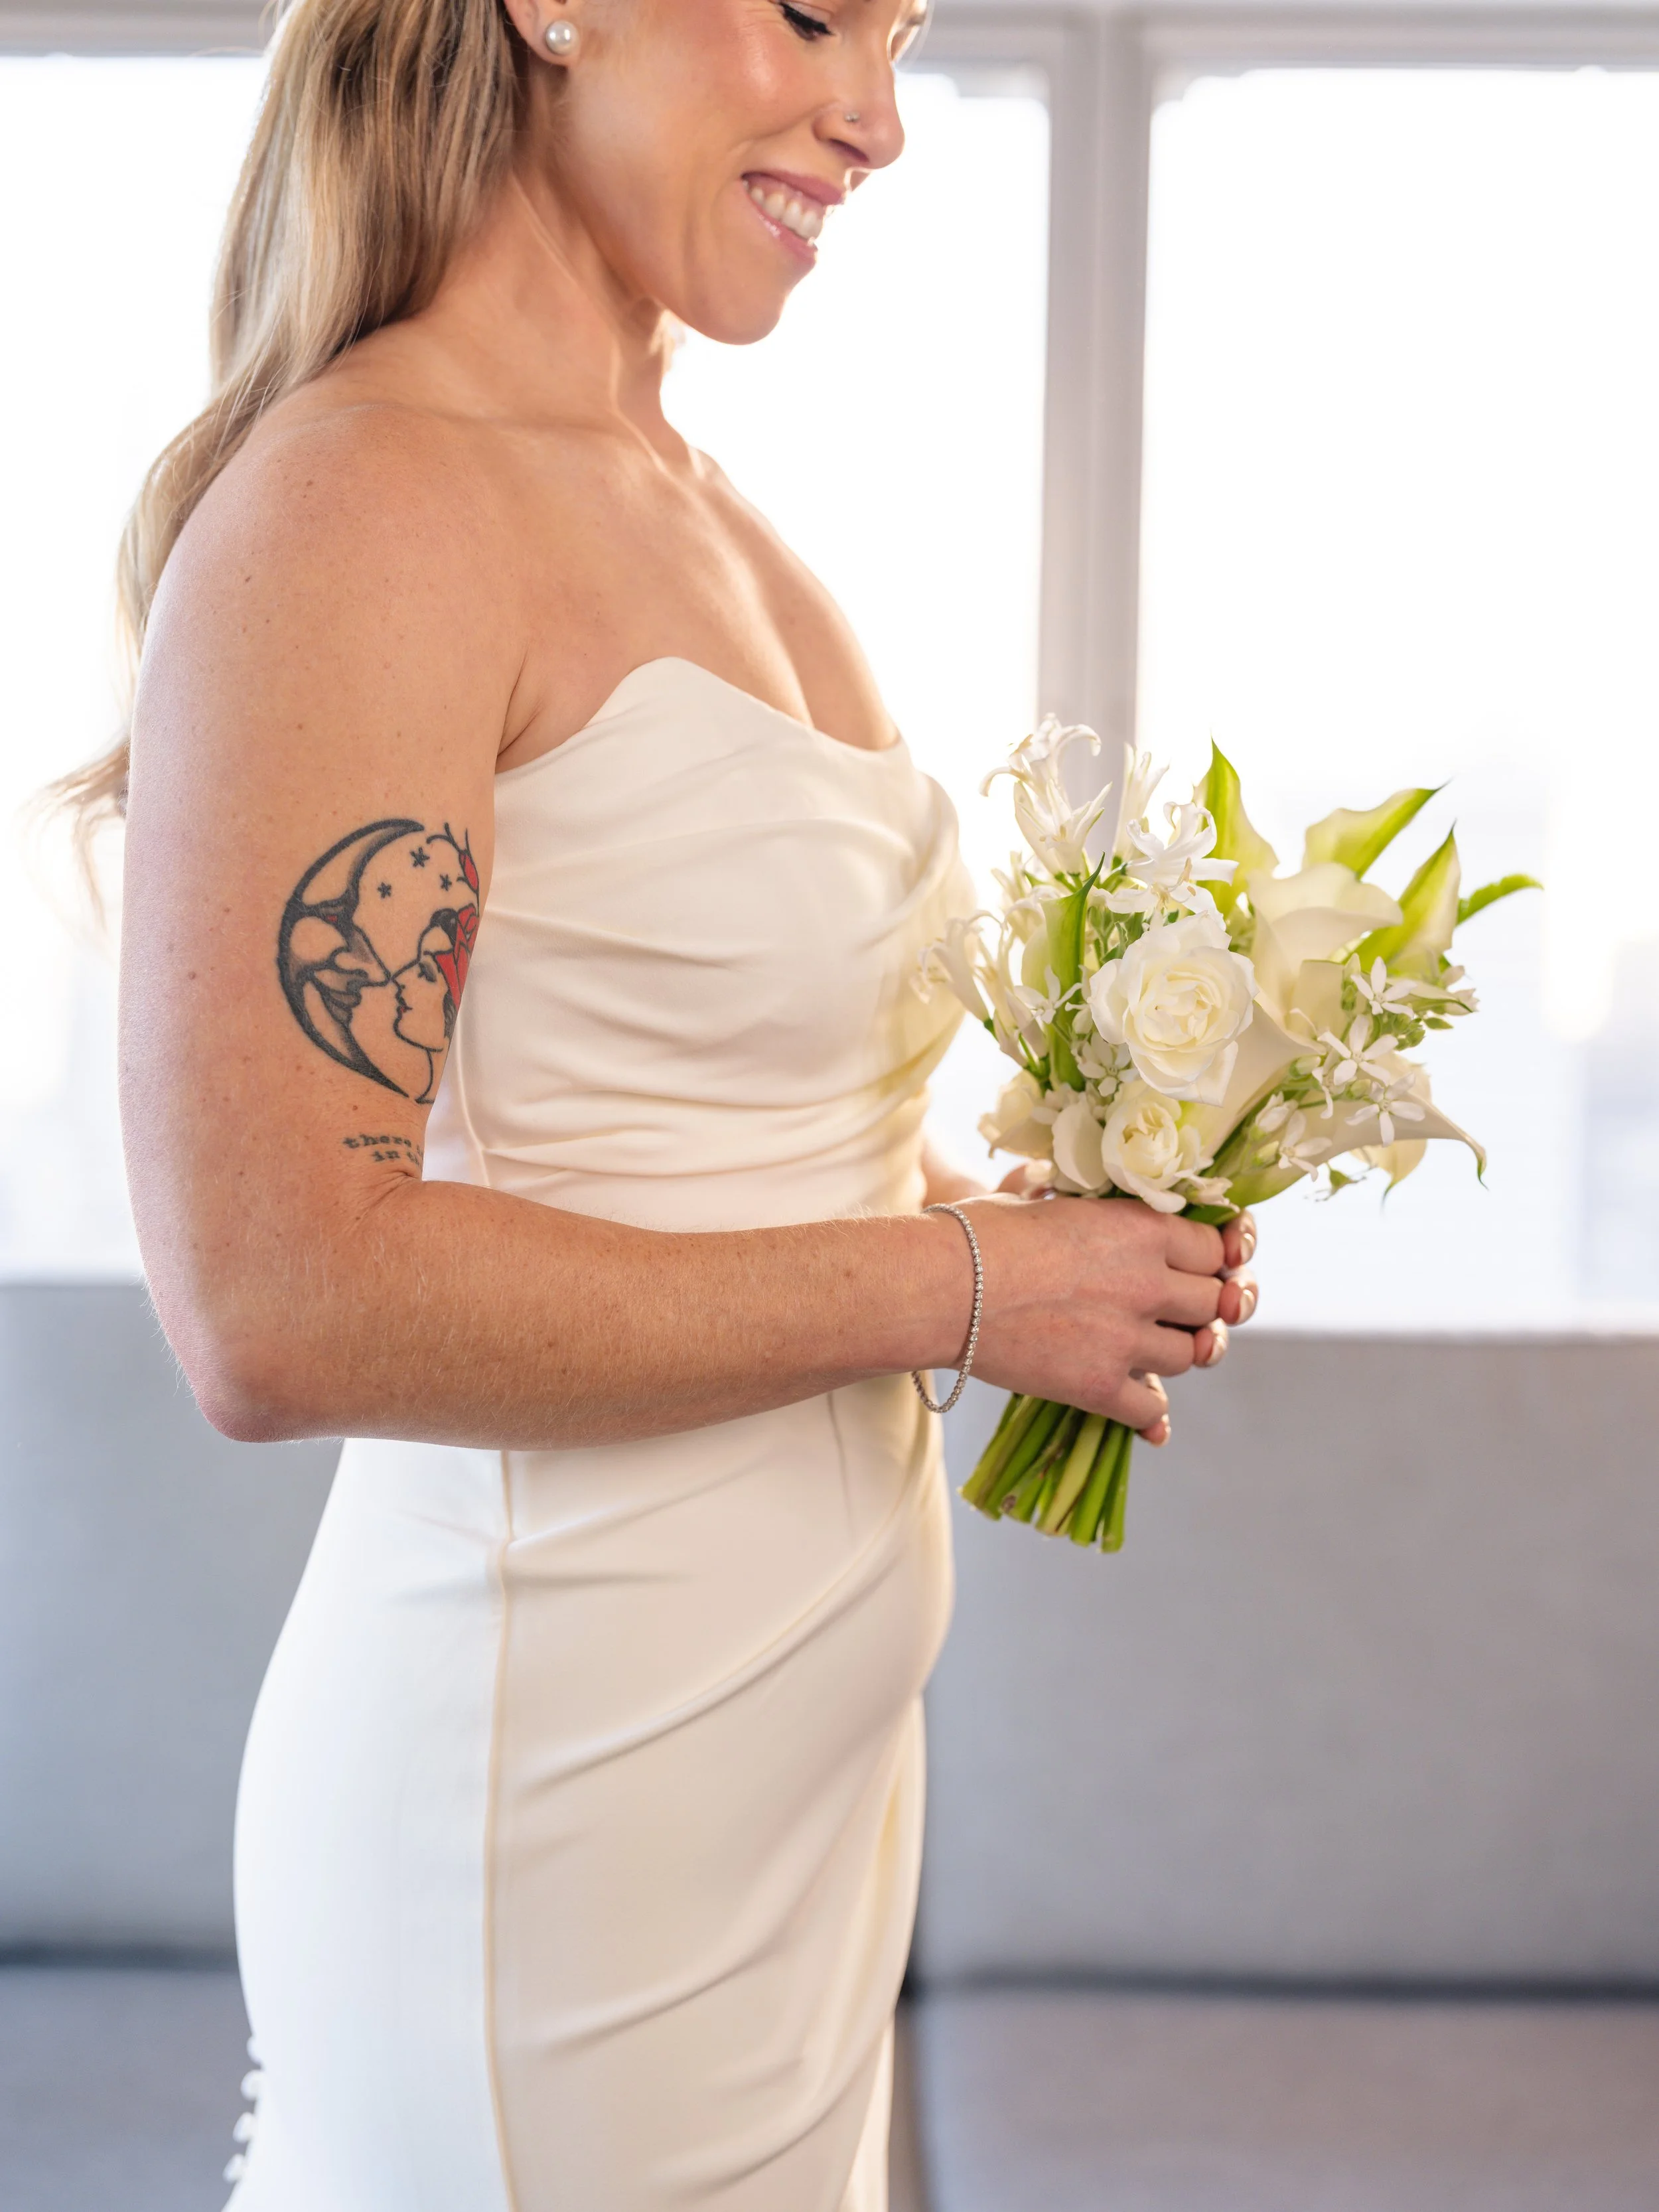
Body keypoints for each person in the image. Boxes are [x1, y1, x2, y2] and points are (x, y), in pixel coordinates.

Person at [65, 0, 1258, 2203]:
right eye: (816, 14)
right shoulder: (360, 508)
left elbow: (728, 1130)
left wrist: (1032, 1230)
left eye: (906, 35)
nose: (879, 116)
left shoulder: (703, 507)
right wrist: (961, 1280)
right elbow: (275, 1298)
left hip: (783, 1825)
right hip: (548, 1830)